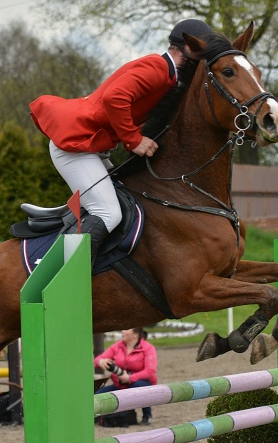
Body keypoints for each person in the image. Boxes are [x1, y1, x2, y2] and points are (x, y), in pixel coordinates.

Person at [29, 19, 214, 264]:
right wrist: (133, 140)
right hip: (75, 145)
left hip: (92, 147)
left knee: (129, 200)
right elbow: (115, 98)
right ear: (187, 47)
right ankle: (70, 276)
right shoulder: (158, 68)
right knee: (109, 213)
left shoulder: (168, 77)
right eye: (202, 52)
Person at [94, 327, 158, 425]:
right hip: (120, 385)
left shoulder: (148, 348)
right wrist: (101, 361)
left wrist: (129, 378)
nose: (122, 331)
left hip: (141, 383)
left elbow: (150, 371)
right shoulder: (118, 346)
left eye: (126, 329)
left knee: (139, 387)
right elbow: (97, 360)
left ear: (135, 334)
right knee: (97, 396)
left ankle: (147, 415)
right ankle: (98, 417)